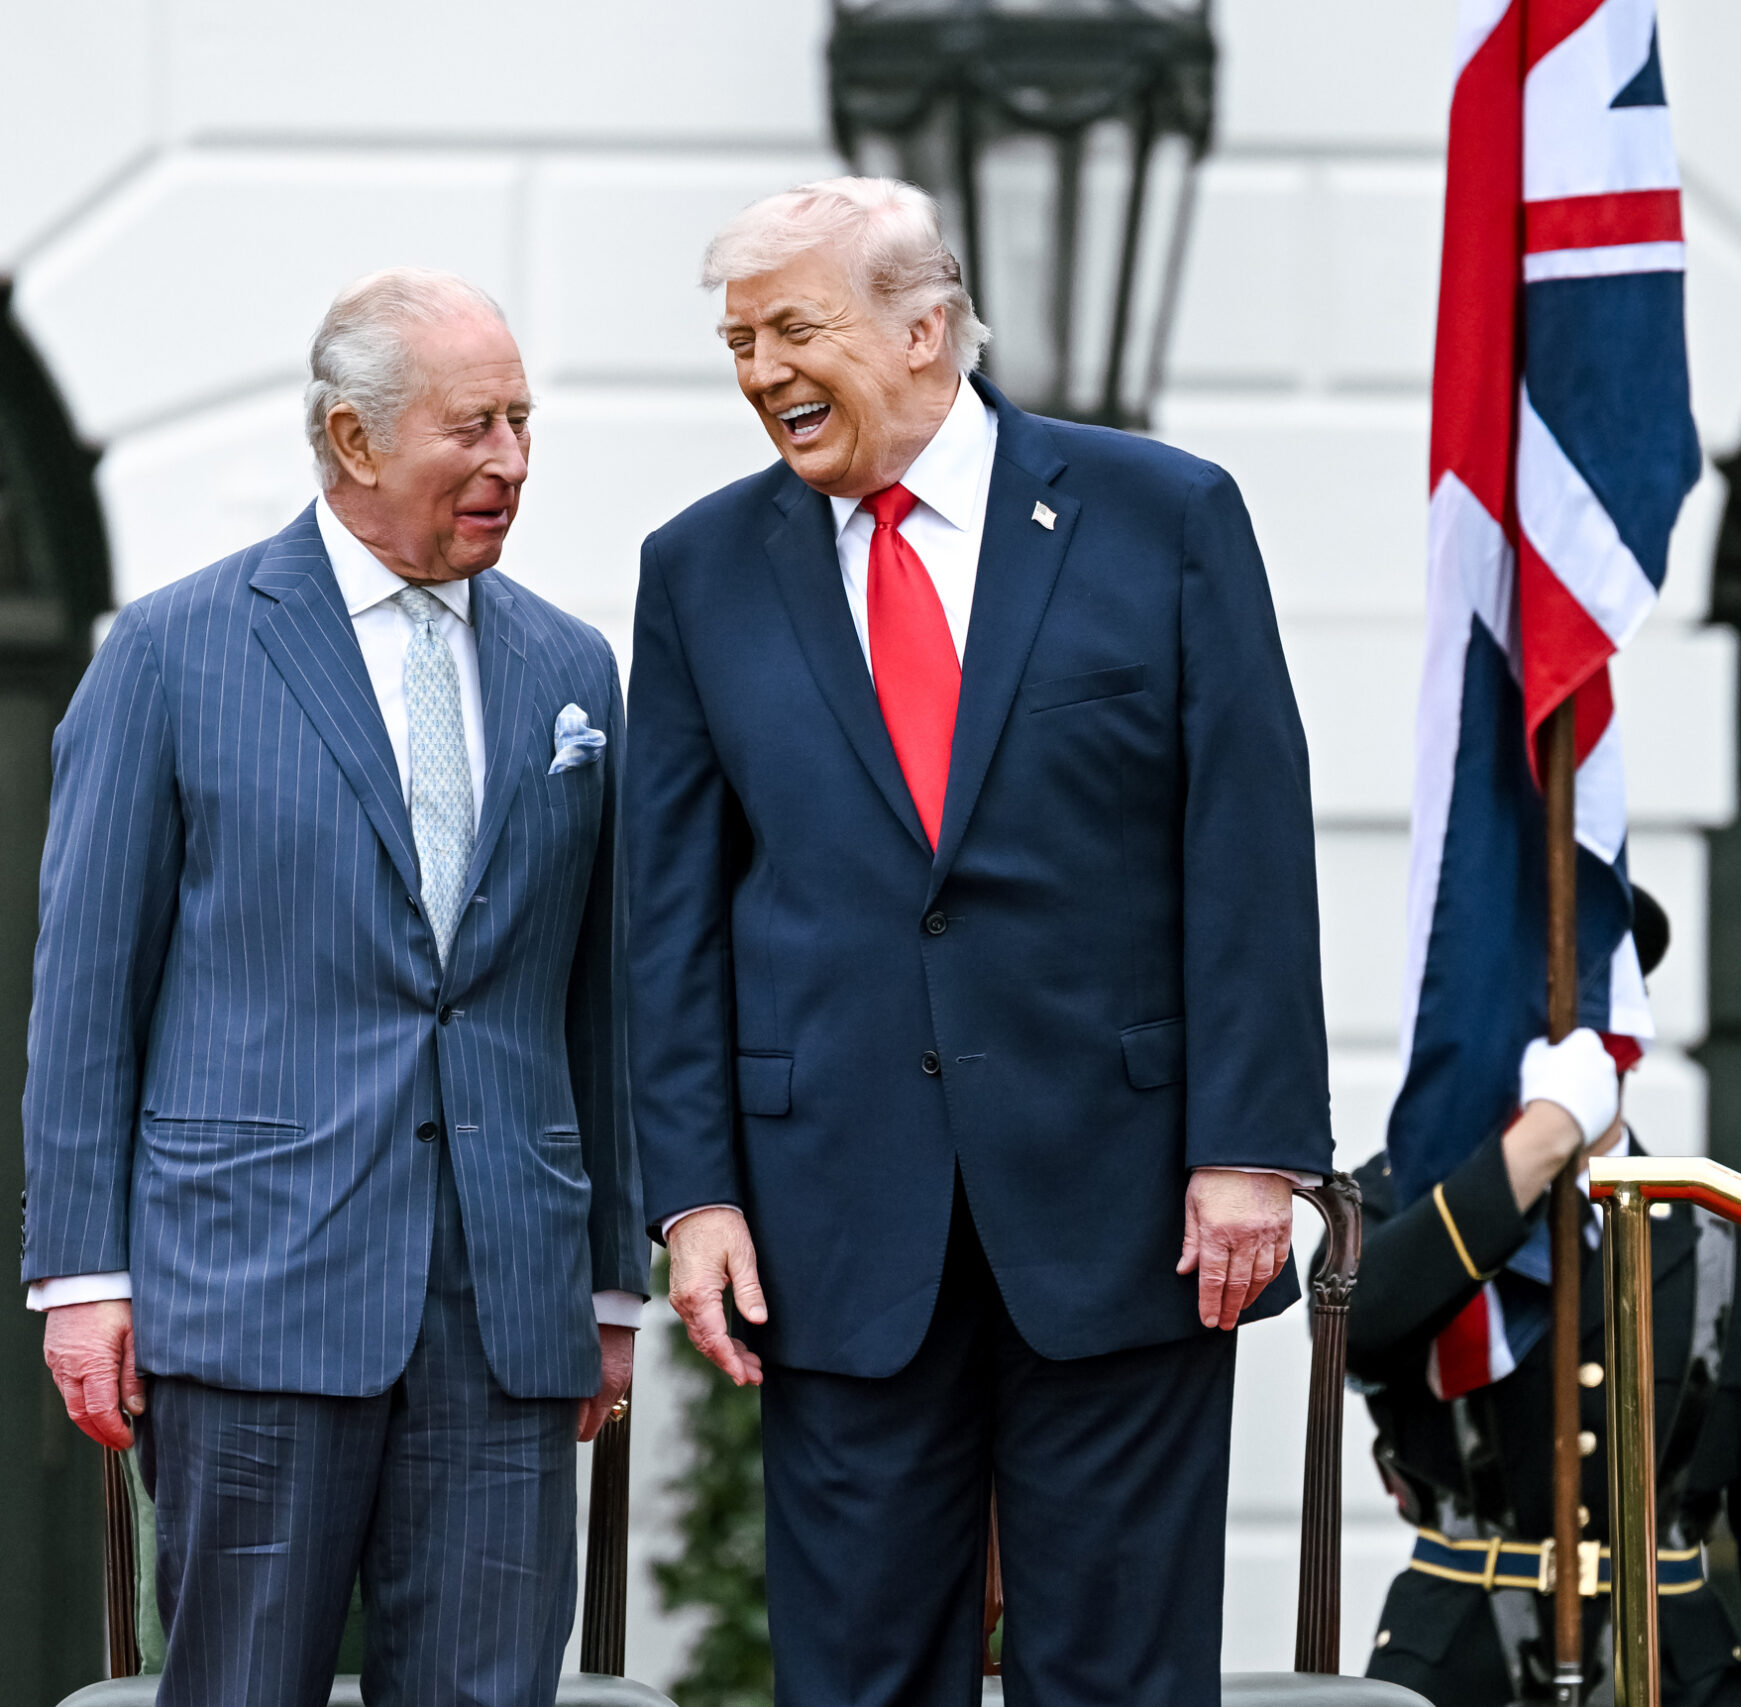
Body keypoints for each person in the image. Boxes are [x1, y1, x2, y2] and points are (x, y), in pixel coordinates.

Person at [621, 176, 1331, 1707]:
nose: (761, 370)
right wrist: (693, 1193)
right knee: (857, 1674)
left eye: (793, 328)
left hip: (1126, 1205)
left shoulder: (1165, 515)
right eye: (739, 342)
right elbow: (668, 916)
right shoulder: (698, 569)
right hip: (831, 1227)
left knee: (1118, 1676)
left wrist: (1251, 1147)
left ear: (923, 326)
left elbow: (1249, 847)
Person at [19, 267, 648, 1707]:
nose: (512, 460)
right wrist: (85, 1280)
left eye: (523, 422)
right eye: (474, 426)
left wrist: (610, 1280)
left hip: (506, 1308)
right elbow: (87, 987)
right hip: (253, 1292)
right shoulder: (173, 651)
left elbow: (598, 997)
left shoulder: (572, 664)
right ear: (354, 440)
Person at [1352, 894, 1741, 1707]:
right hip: (1459, 1671)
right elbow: (1355, 1330)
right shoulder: (1403, 1201)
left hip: (1676, 1677)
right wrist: (1535, 1147)